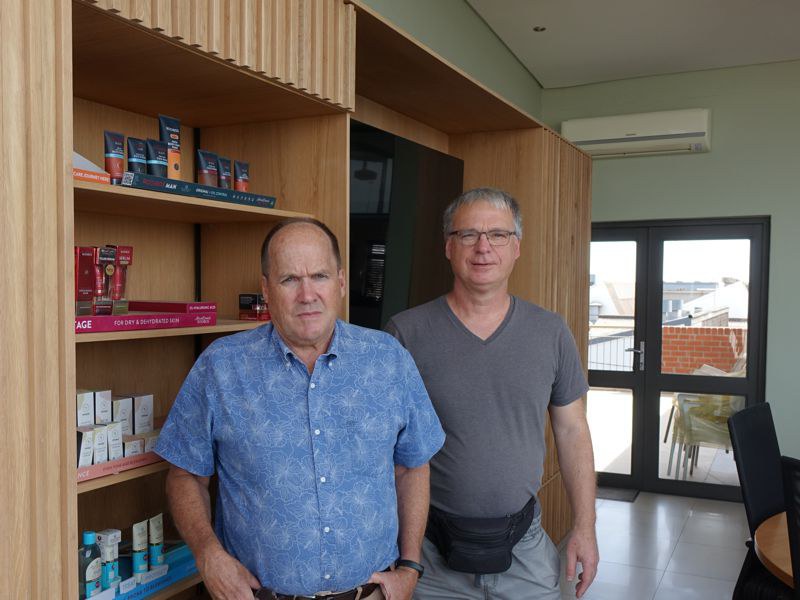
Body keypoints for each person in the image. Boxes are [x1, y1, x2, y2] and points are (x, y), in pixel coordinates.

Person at [156, 217, 445, 600]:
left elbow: (412, 465)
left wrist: (410, 566)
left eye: (320, 276)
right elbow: (184, 475)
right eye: (290, 279)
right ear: (266, 289)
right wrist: (208, 555)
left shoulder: (389, 360)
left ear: (341, 281)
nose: (307, 294)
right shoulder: (221, 367)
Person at [385, 188, 598, 599]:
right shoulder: (405, 333)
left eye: (498, 235)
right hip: (430, 555)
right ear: (448, 246)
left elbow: (573, 432)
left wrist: (584, 528)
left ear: (516, 247)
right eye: (468, 235)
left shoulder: (550, 332)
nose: (483, 247)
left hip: (525, 549)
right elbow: (385, 450)